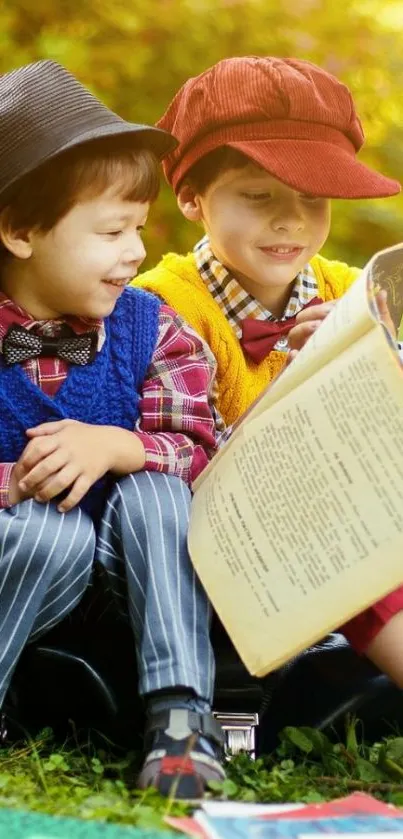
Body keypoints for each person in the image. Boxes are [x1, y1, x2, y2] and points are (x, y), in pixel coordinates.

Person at [134, 56, 403, 695]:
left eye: (314, 197)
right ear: (192, 197)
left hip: (353, 527)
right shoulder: (159, 306)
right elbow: (166, 466)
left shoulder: (348, 291)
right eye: (258, 196)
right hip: (215, 554)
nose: (291, 220)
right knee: (351, 546)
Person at [0, 59, 227, 800]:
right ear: (21, 230)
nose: (134, 250)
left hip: (143, 580)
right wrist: (15, 484)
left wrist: (119, 445)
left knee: (157, 491)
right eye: (110, 230)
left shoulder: (149, 327)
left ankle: (180, 719)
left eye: (138, 227)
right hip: (33, 575)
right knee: (45, 526)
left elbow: (199, 447)